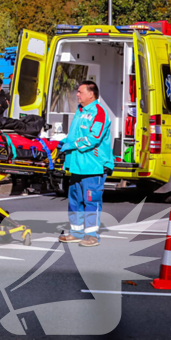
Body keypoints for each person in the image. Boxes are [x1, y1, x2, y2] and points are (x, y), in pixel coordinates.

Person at [58, 81, 113, 247]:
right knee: (75, 200)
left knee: (91, 201)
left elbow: (93, 138)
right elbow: (74, 135)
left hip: (93, 167)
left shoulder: (99, 112)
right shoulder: (80, 111)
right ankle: (76, 232)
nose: (77, 94)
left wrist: (72, 145)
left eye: (80, 92)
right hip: (77, 166)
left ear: (91, 94)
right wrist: (63, 142)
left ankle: (91, 235)